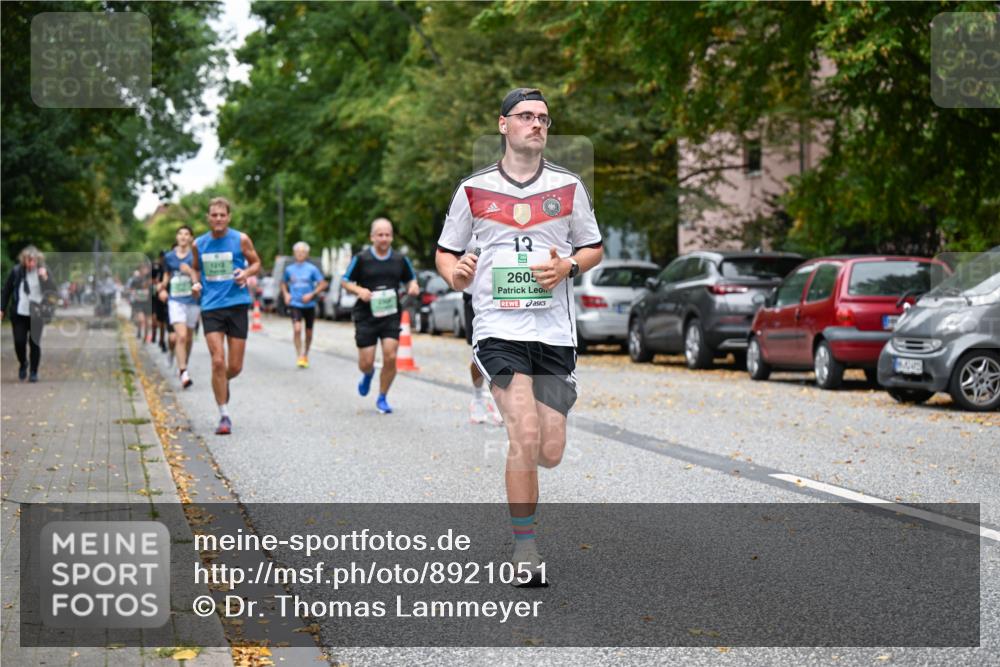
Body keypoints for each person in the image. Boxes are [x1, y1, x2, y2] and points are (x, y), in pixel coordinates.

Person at [435, 88, 603, 586]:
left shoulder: (569, 187)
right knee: (523, 435)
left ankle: (526, 522)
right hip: (498, 330)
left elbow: (592, 248)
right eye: (526, 116)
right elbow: (446, 252)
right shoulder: (473, 190)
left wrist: (569, 265)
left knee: (549, 450)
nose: (537, 124)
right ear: (503, 124)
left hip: (553, 333)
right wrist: (456, 274)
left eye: (544, 119)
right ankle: (524, 549)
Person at [190, 197, 262, 435]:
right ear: (208, 218)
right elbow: (196, 269)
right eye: (214, 215)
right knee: (217, 361)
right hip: (211, 306)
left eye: (222, 215)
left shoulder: (240, 239)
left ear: (228, 217)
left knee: (235, 366)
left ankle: (224, 380)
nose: (218, 219)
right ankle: (224, 415)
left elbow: (256, 262)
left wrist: (246, 272)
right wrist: (196, 284)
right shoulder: (199, 244)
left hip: (237, 304)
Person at [341, 218, 419, 414]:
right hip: (366, 315)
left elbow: (411, 279)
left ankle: (382, 397)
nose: (384, 238)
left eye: (387, 235)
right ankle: (368, 374)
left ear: (391, 237)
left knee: (391, 356)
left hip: (390, 314)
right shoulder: (362, 258)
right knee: (366, 362)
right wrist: (359, 291)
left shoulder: (400, 259)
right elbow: (345, 281)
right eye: (380, 235)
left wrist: (413, 286)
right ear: (372, 237)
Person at [1, 245, 57, 382]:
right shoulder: (16, 272)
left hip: (37, 313)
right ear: (23, 260)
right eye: (28, 260)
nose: (31, 263)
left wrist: (45, 278)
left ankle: (33, 371)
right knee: (19, 342)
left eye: (33, 260)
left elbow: (53, 291)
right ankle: (23, 363)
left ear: (37, 260)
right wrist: (1, 309)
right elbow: (6, 291)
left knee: (34, 343)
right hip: (19, 313)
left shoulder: (44, 271)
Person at [161, 227, 201, 388]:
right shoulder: (169, 257)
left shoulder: (195, 256)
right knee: (181, 336)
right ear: (176, 237)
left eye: (186, 234)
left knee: (189, 338)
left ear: (191, 238)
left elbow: (198, 279)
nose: (183, 237)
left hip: (193, 301)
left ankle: (183, 363)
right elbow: (166, 277)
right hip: (175, 301)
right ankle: (183, 371)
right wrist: (162, 288)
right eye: (180, 234)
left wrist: (190, 271)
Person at [281, 241, 328, 368]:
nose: (300, 254)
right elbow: (283, 283)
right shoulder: (289, 269)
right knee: (297, 329)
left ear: (307, 254)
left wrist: (312, 294)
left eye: (303, 252)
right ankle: (299, 355)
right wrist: (286, 294)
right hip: (295, 303)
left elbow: (323, 284)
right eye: (298, 251)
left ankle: (306, 353)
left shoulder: (312, 269)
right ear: (294, 253)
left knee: (309, 333)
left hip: (309, 305)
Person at [464, 283, 502, 425]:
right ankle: (478, 398)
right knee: (480, 353)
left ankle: (500, 400)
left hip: (512, 293)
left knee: (506, 352)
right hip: (477, 294)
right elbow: (447, 260)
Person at [150, 251, 168, 352]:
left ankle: (162, 340)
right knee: (155, 318)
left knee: (163, 321)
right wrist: (157, 283)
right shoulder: (155, 267)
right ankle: (154, 334)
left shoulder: (169, 267)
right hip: (155, 297)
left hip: (165, 297)